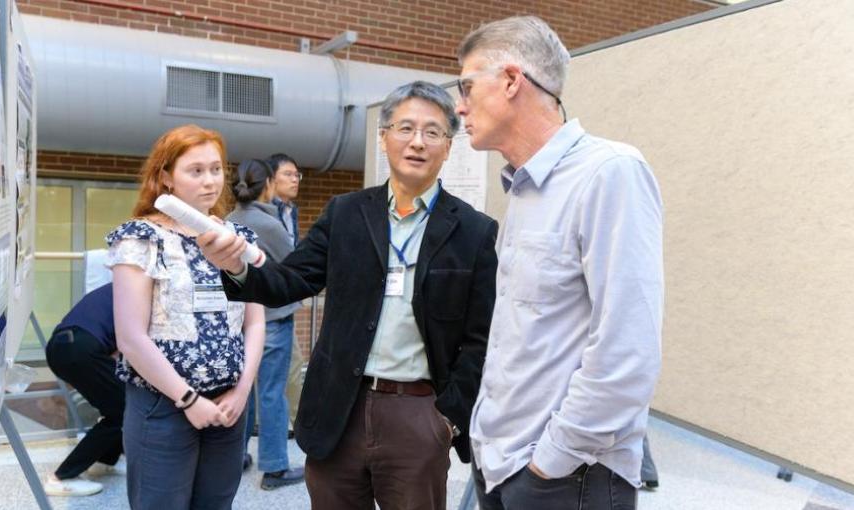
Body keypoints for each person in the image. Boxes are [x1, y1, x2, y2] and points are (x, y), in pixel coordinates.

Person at [198, 81, 498, 510]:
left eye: (432, 132)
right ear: (384, 138)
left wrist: (446, 419)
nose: (417, 141)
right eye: (405, 128)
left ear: (449, 146)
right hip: (339, 408)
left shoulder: (474, 230)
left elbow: (481, 338)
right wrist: (236, 266)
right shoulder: (346, 212)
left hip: (417, 413)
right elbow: (289, 281)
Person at [456, 16, 664, 510]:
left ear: (511, 81)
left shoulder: (609, 173)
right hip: (503, 465)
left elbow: (627, 353)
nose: (459, 106)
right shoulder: (524, 188)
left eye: (466, 86)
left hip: (566, 479)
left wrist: (549, 463)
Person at [107, 124, 265, 509]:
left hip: (229, 404)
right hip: (163, 406)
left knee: (217, 503)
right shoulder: (141, 238)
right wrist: (189, 399)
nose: (210, 181)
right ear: (165, 178)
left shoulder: (239, 239)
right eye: (195, 171)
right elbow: (130, 337)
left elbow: (255, 322)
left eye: (216, 169)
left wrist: (242, 392)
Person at [227, 159, 304, 489]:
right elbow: (296, 266)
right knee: (273, 393)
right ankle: (274, 468)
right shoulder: (270, 225)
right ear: (268, 185)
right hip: (272, 318)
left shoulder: (229, 220)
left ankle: (236, 457)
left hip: (241, 321)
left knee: (244, 392)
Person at [43, 283, 123, 497]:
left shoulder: (122, 283)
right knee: (124, 410)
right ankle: (62, 477)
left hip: (62, 346)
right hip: (81, 347)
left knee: (117, 408)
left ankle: (103, 460)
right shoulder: (145, 289)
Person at [267, 152, 305, 430]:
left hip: (285, 299)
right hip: (268, 305)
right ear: (271, 179)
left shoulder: (291, 212)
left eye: (297, 175)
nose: (295, 180)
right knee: (289, 369)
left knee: (284, 370)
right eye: (288, 175)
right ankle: (302, 423)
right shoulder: (266, 214)